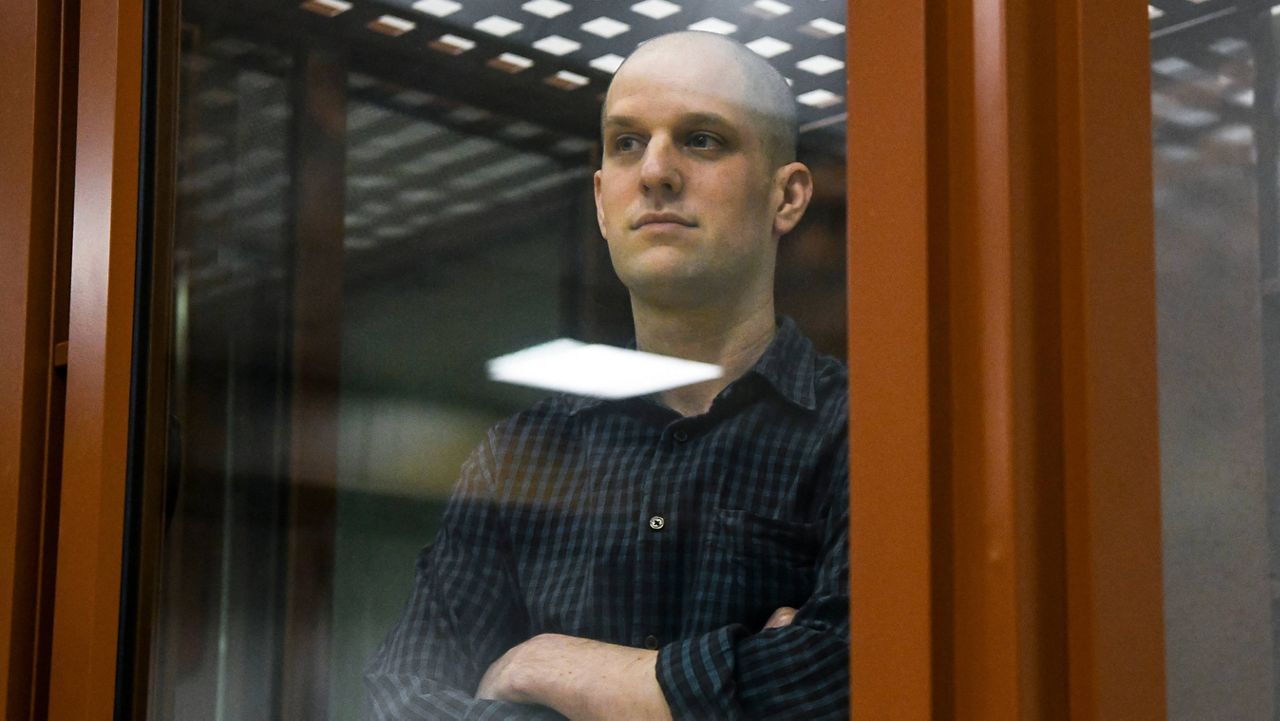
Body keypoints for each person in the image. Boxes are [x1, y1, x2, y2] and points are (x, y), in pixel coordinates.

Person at [365, 31, 849, 720]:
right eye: (626, 143)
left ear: (788, 196)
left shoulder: (859, 434)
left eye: (702, 139)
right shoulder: (518, 461)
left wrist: (552, 669)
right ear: (600, 198)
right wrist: (739, 685)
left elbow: (849, 672)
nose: (655, 171)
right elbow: (401, 699)